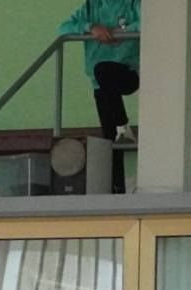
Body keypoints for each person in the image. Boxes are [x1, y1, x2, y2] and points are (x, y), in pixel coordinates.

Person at [60, 0, 141, 194]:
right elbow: (63, 28)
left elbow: (151, 22)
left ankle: (123, 126)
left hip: (128, 71)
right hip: (98, 82)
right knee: (109, 140)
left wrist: (121, 31)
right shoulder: (91, 6)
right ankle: (117, 189)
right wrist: (90, 27)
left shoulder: (133, 3)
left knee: (102, 70)